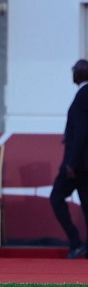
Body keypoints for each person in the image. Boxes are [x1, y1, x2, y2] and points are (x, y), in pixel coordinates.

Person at [50, 59, 88, 259]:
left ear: (81, 73)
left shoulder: (82, 95)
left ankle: (75, 241)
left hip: (77, 164)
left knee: (56, 197)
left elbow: (81, 131)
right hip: (84, 163)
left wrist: (71, 163)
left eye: (75, 70)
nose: (72, 73)